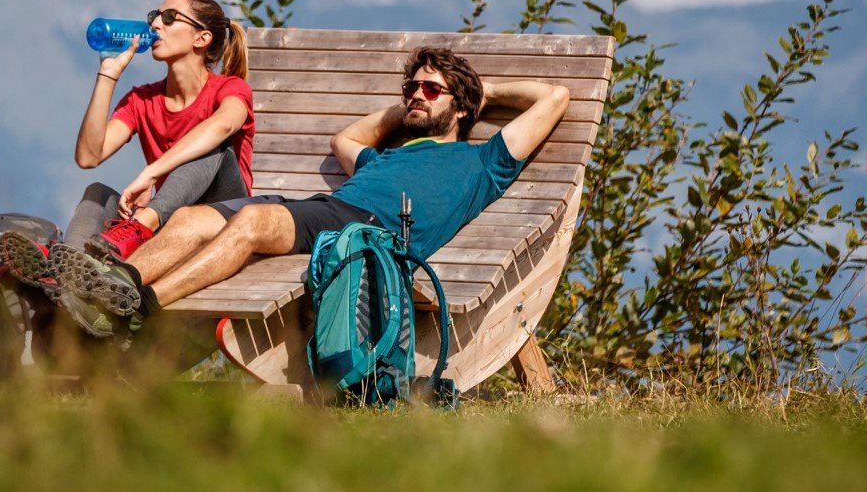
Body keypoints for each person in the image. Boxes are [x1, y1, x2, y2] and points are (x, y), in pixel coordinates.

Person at [39, 46, 570, 338]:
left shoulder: (482, 162)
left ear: (461, 107)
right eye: (411, 87)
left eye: (431, 90)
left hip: (371, 237)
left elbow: (555, 97)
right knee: (191, 220)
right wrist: (413, 104)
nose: (416, 96)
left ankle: (140, 307)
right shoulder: (387, 156)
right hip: (329, 212)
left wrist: (482, 91)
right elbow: (345, 140)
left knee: (251, 223)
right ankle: (112, 285)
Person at [0, 0, 256, 312]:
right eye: (154, 16)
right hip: (171, 221)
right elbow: (89, 156)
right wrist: (108, 74)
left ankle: (138, 229)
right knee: (97, 193)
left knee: (212, 146)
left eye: (169, 18)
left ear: (201, 38)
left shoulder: (230, 88)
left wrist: (151, 173)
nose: (155, 25)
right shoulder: (142, 100)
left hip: (224, 218)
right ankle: (67, 272)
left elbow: (224, 125)